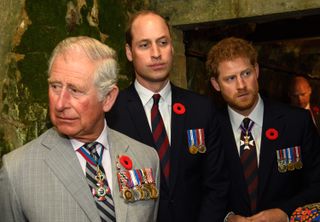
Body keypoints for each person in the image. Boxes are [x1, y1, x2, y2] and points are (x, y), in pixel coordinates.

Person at [0, 36, 160, 222]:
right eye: (55, 86)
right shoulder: (17, 171)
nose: (60, 104)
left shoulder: (145, 158)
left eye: (75, 90)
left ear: (108, 98)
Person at [106, 10, 228, 222]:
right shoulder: (112, 112)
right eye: (144, 45)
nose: (156, 53)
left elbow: (217, 184)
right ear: (129, 52)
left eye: (162, 42)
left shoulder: (201, 109)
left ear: (172, 47)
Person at [206, 37, 320, 222]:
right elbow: (199, 189)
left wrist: (285, 212)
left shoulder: (297, 122)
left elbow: (317, 183)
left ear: (257, 71)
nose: (241, 85)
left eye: (246, 74)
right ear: (216, 84)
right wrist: (227, 217)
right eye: (230, 78)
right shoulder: (209, 129)